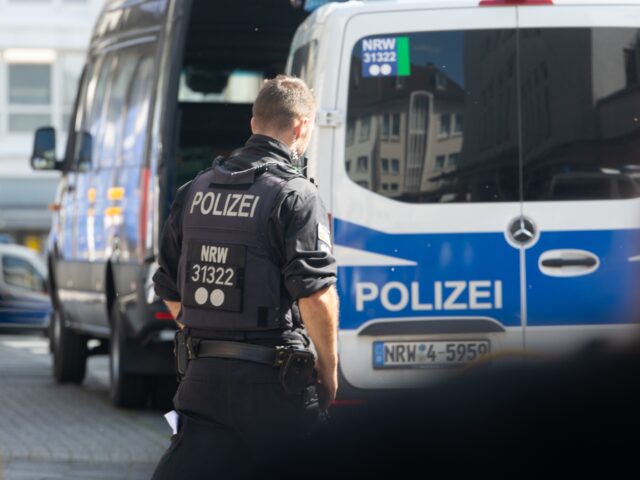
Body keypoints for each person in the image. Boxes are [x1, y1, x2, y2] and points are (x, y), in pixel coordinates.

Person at [150, 75, 339, 479]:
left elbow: (165, 283)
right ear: (302, 127)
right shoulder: (295, 195)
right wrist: (330, 369)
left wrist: (208, 328)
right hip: (275, 386)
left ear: (253, 124)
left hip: (203, 382)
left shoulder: (194, 190)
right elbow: (316, 295)